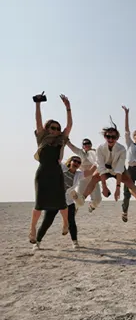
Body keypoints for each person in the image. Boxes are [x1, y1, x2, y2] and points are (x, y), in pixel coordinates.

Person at [30, 94, 73, 245]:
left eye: (57, 129)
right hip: (42, 173)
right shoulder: (42, 137)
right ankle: (32, 229)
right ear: (47, 129)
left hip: (56, 173)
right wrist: (38, 104)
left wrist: (68, 108)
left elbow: (69, 126)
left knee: (61, 202)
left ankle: (65, 223)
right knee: (39, 203)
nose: (55, 130)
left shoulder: (61, 140)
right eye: (52, 128)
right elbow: (38, 120)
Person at [81, 122, 136, 208]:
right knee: (94, 178)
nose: (110, 139)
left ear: (117, 138)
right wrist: (104, 187)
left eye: (113, 137)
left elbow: (119, 169)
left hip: (117, 168)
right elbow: (101, 167)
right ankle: (82, 198)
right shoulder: (100, 148)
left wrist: (118, 189)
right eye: (108, 136)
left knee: (129, 181)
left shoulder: (122, 149)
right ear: (105, 137)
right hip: (104, 168)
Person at [33, 156, 95, 251]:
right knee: (47, 221)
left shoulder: (78, 175)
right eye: (75, 161)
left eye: (79, 162)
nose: (76, 163)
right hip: (54, 200)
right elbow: (56, 159)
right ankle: (37, 242)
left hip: (68, 202)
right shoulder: (62, 168)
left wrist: (98, 160)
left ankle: (75, 242)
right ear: (70, 161)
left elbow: (90, 172)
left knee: (71, 222)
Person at [66, 136, 102, 212]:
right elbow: (71, 146)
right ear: (83, 146)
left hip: (93, 179)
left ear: (91, 145)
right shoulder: (80, 152)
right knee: (79, 201)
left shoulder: (96, 152)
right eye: (85, 144)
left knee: (98, 200)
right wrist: (66, 140)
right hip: (83, 179)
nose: (87, 145)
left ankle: (91, 206)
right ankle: (73, 213)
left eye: (88, 143)